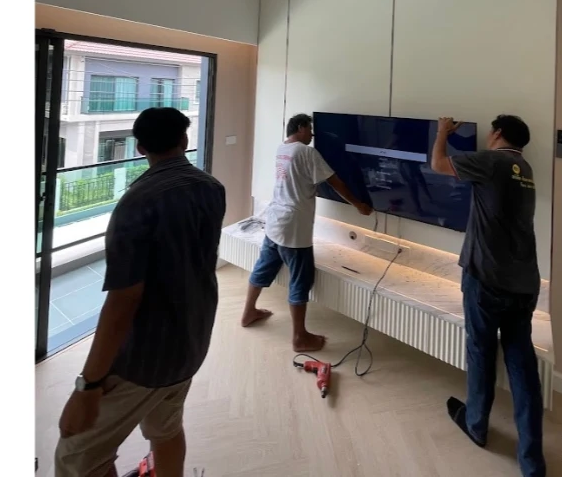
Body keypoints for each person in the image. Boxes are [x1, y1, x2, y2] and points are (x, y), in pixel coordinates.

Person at [54, 107, 224, 477]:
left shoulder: (137, 202)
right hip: (192, 339)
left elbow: (123, 301)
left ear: (140, 147)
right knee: (166, 428)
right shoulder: (212, 188)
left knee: (78, 456)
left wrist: (88, 386)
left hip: (145, 358)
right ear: (185, 140)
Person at [432, 114, 546, 477]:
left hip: (486, 280)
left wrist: (442, 132)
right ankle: (532, 462)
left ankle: (476, 425)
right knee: (522, 368)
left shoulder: (491, 161)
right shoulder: (525, 169)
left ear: (496, 134)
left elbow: (437, 164)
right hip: (524, 283)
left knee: (481, 354)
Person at [242, 113, 373, 351]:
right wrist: (358, 205)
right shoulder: (307, 152)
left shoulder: (282, 149)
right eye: (310, 130)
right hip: (295, 226)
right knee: (301, 280)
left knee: (263, 267)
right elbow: (335, 182)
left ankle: (248, 312)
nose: (312, 135)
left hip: (274, 221)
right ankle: (299, 337)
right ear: (301, 127)